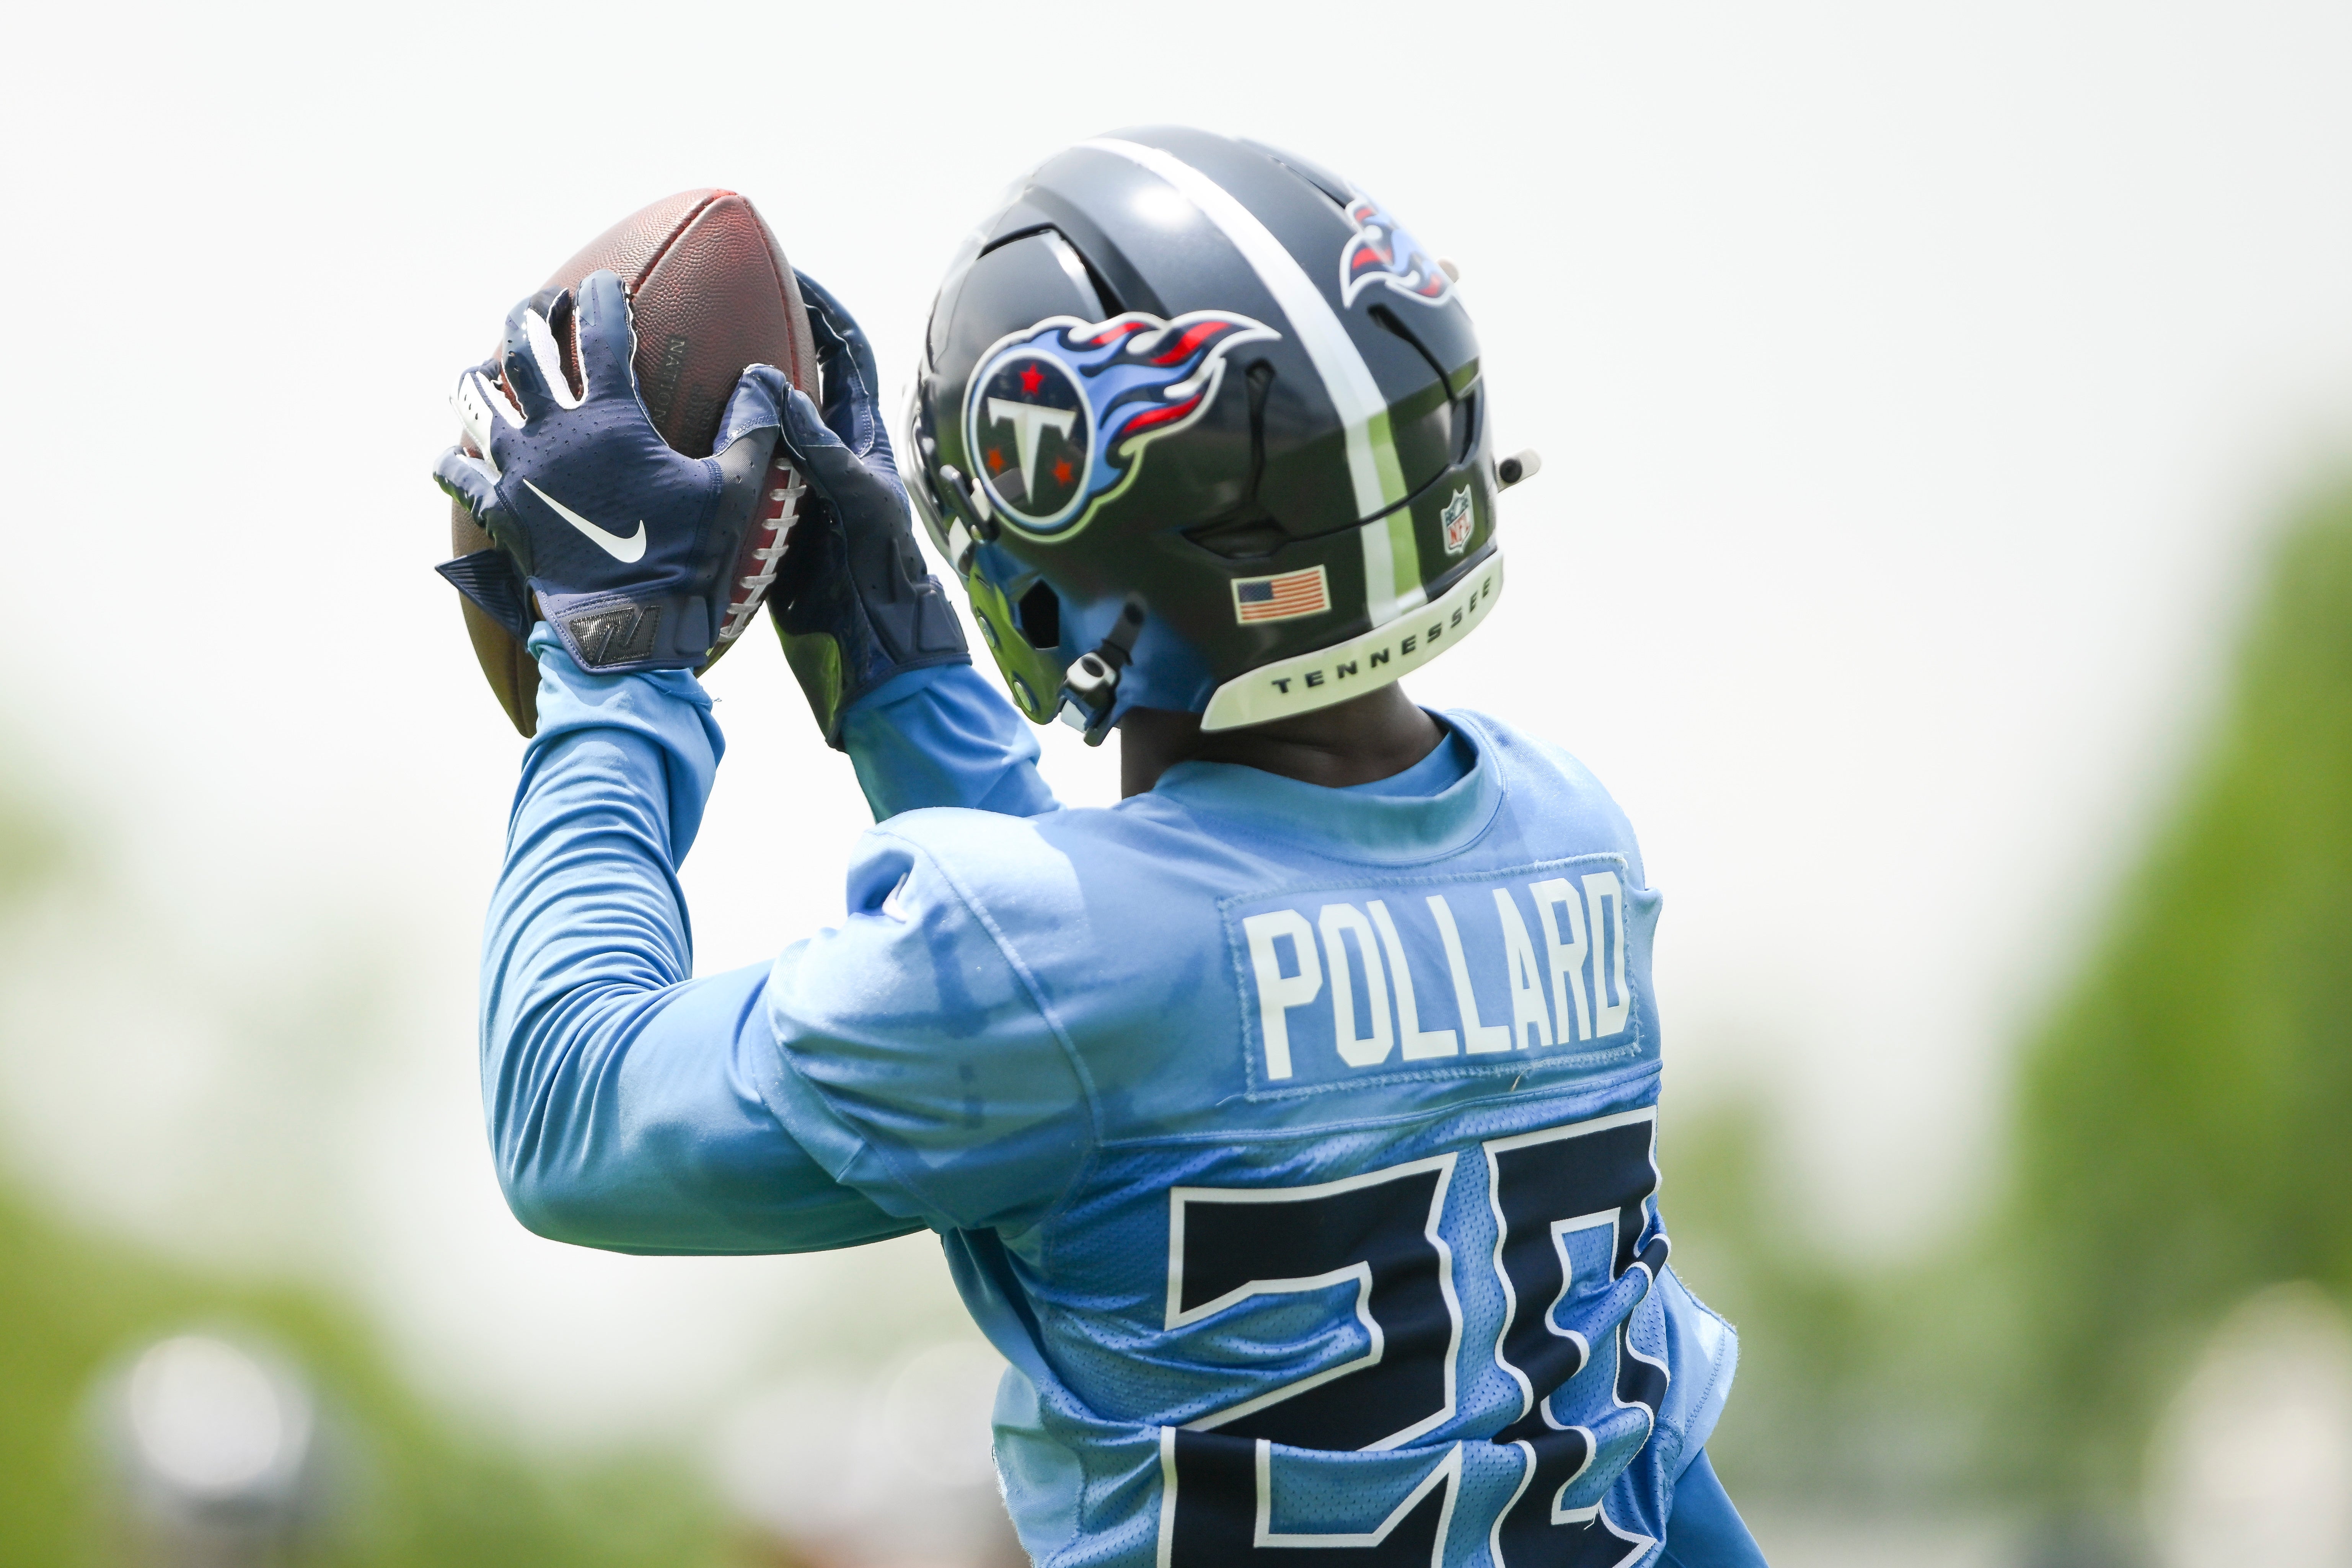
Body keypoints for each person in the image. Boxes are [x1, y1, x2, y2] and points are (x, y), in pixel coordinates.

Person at [435, 127, 1765, 1568]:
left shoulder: (1056, 972)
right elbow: (1648, 1459)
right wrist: (903, 683)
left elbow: (568, 1115)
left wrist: (616, 674)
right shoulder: (1566, 840)